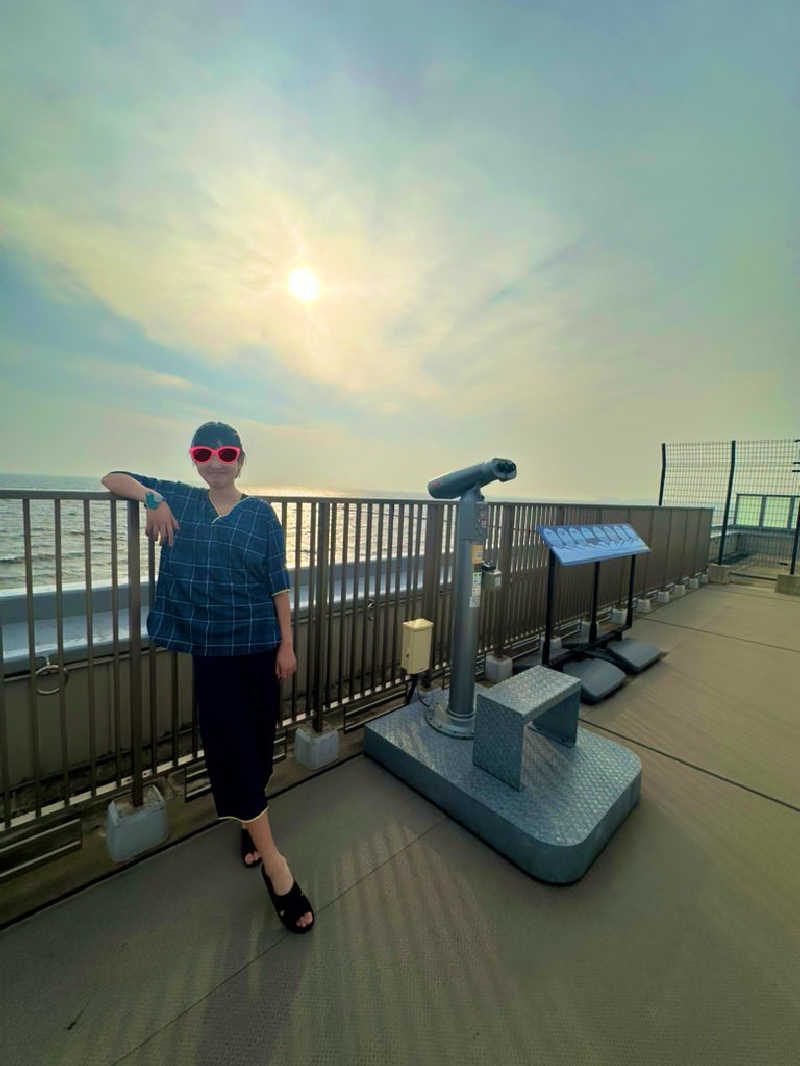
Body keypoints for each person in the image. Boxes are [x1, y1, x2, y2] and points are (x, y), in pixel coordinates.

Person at [101, 421, 314, 933]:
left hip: (260, 646)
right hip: (213, 654)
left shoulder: (261, 514)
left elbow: (277, 584)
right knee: (230, 749)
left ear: (240, 459)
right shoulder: (180, 499)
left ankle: (249, 825)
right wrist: (151, 496)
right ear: (193, 459)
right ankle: (276, 865)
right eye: (204, 452)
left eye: (226, 453)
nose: (215, 461)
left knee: (258, 746)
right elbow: (112, 477)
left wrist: (287, 644)